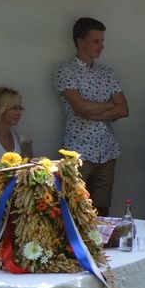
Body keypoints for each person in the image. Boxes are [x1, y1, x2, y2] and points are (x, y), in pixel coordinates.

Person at [53, 17, 129, 215]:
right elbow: (81, 108)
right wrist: (108, 106)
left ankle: (101, 245)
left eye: (102, 41)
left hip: (107, 150)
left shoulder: (107, 73)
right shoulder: (65, 71)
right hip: (78, 152)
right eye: (96, 41)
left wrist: (94, 109)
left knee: (102, 208)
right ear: (80, 41)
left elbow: (124, 109)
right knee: (75, 207)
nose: (101, 46)